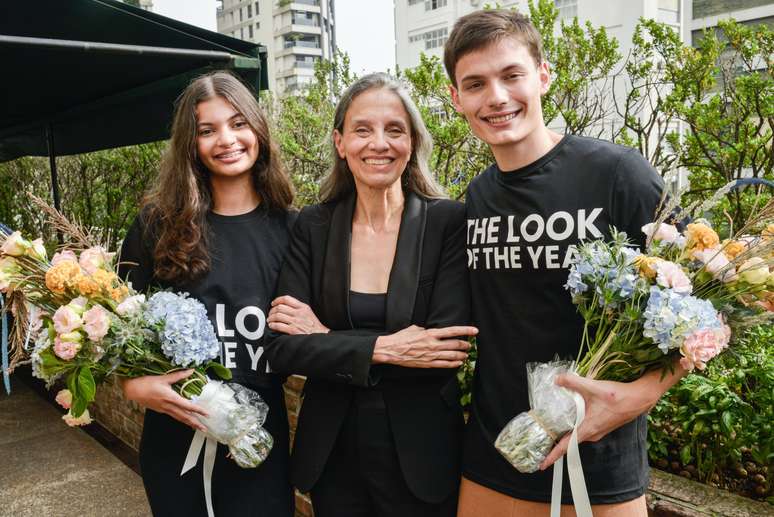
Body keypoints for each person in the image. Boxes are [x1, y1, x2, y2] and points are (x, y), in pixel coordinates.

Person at [444, 10, 688, 516]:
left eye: (512, 75)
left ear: (543, 75)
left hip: (597, 463)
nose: (496, 97)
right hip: (493, 457)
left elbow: (707, 310)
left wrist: (640, 395)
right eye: (475, 84)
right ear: (457, 99)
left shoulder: (618, 174)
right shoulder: (478, 195)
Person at [264, 72, 478, 517]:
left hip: (422, 455)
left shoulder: (448, 224)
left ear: (413, 143)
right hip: (333, 453)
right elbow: (284, 349)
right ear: (340, 142)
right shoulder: (313, 227)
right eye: (363, 129)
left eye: (394, 129)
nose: (378, 143)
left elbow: (444, 347)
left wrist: (324, 336)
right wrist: (387, 347)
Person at [119, 71, 295, 516]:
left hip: (260, 444)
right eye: (207, 130)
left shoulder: (295, 229)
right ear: (190, 144)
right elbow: (116, 327)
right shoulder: (155, 225)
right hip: (175, 442)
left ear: (258, 129)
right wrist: (132, 386)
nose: (227, 140)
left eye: (238, 123)